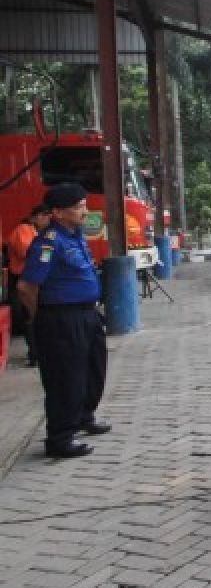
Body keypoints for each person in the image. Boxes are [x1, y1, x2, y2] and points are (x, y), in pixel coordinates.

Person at [17, 184, 111, 458]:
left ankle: (84, 416)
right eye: (78, 207)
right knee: (65, 378)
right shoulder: (48, 243)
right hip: (62, 318)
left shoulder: (76, 236)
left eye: (84, 204)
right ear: (57, 212)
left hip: (87, 314)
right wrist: (39, 316)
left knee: (94, 369)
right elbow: (26, 287)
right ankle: (60, 438)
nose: (85, 211)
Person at [6, 203, 51, 366]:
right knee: (30, 317)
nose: (48, 219)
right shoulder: (24, 230)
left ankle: (39, 352)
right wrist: (46, 251)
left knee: (35, 316)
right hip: (23, 279)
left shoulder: (41, 233)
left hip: (34, 278)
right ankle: (35, 354)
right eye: (46, 216)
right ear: (37, 217)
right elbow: (27, 252)